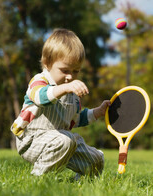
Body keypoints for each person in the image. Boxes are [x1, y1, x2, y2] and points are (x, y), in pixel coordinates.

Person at [11, 28, 110, 178]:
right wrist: (64, 88)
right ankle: (38, 178)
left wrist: (97, 112)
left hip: (63, 141)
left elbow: (76, 119)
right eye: (64, 70)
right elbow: (41, 98)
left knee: (96, 159)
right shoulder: (39, 81)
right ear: (47, 64)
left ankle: (81, 185)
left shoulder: (72, 94)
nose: (70, 77)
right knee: (65, 140)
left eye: (76, 71)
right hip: (32, 140)